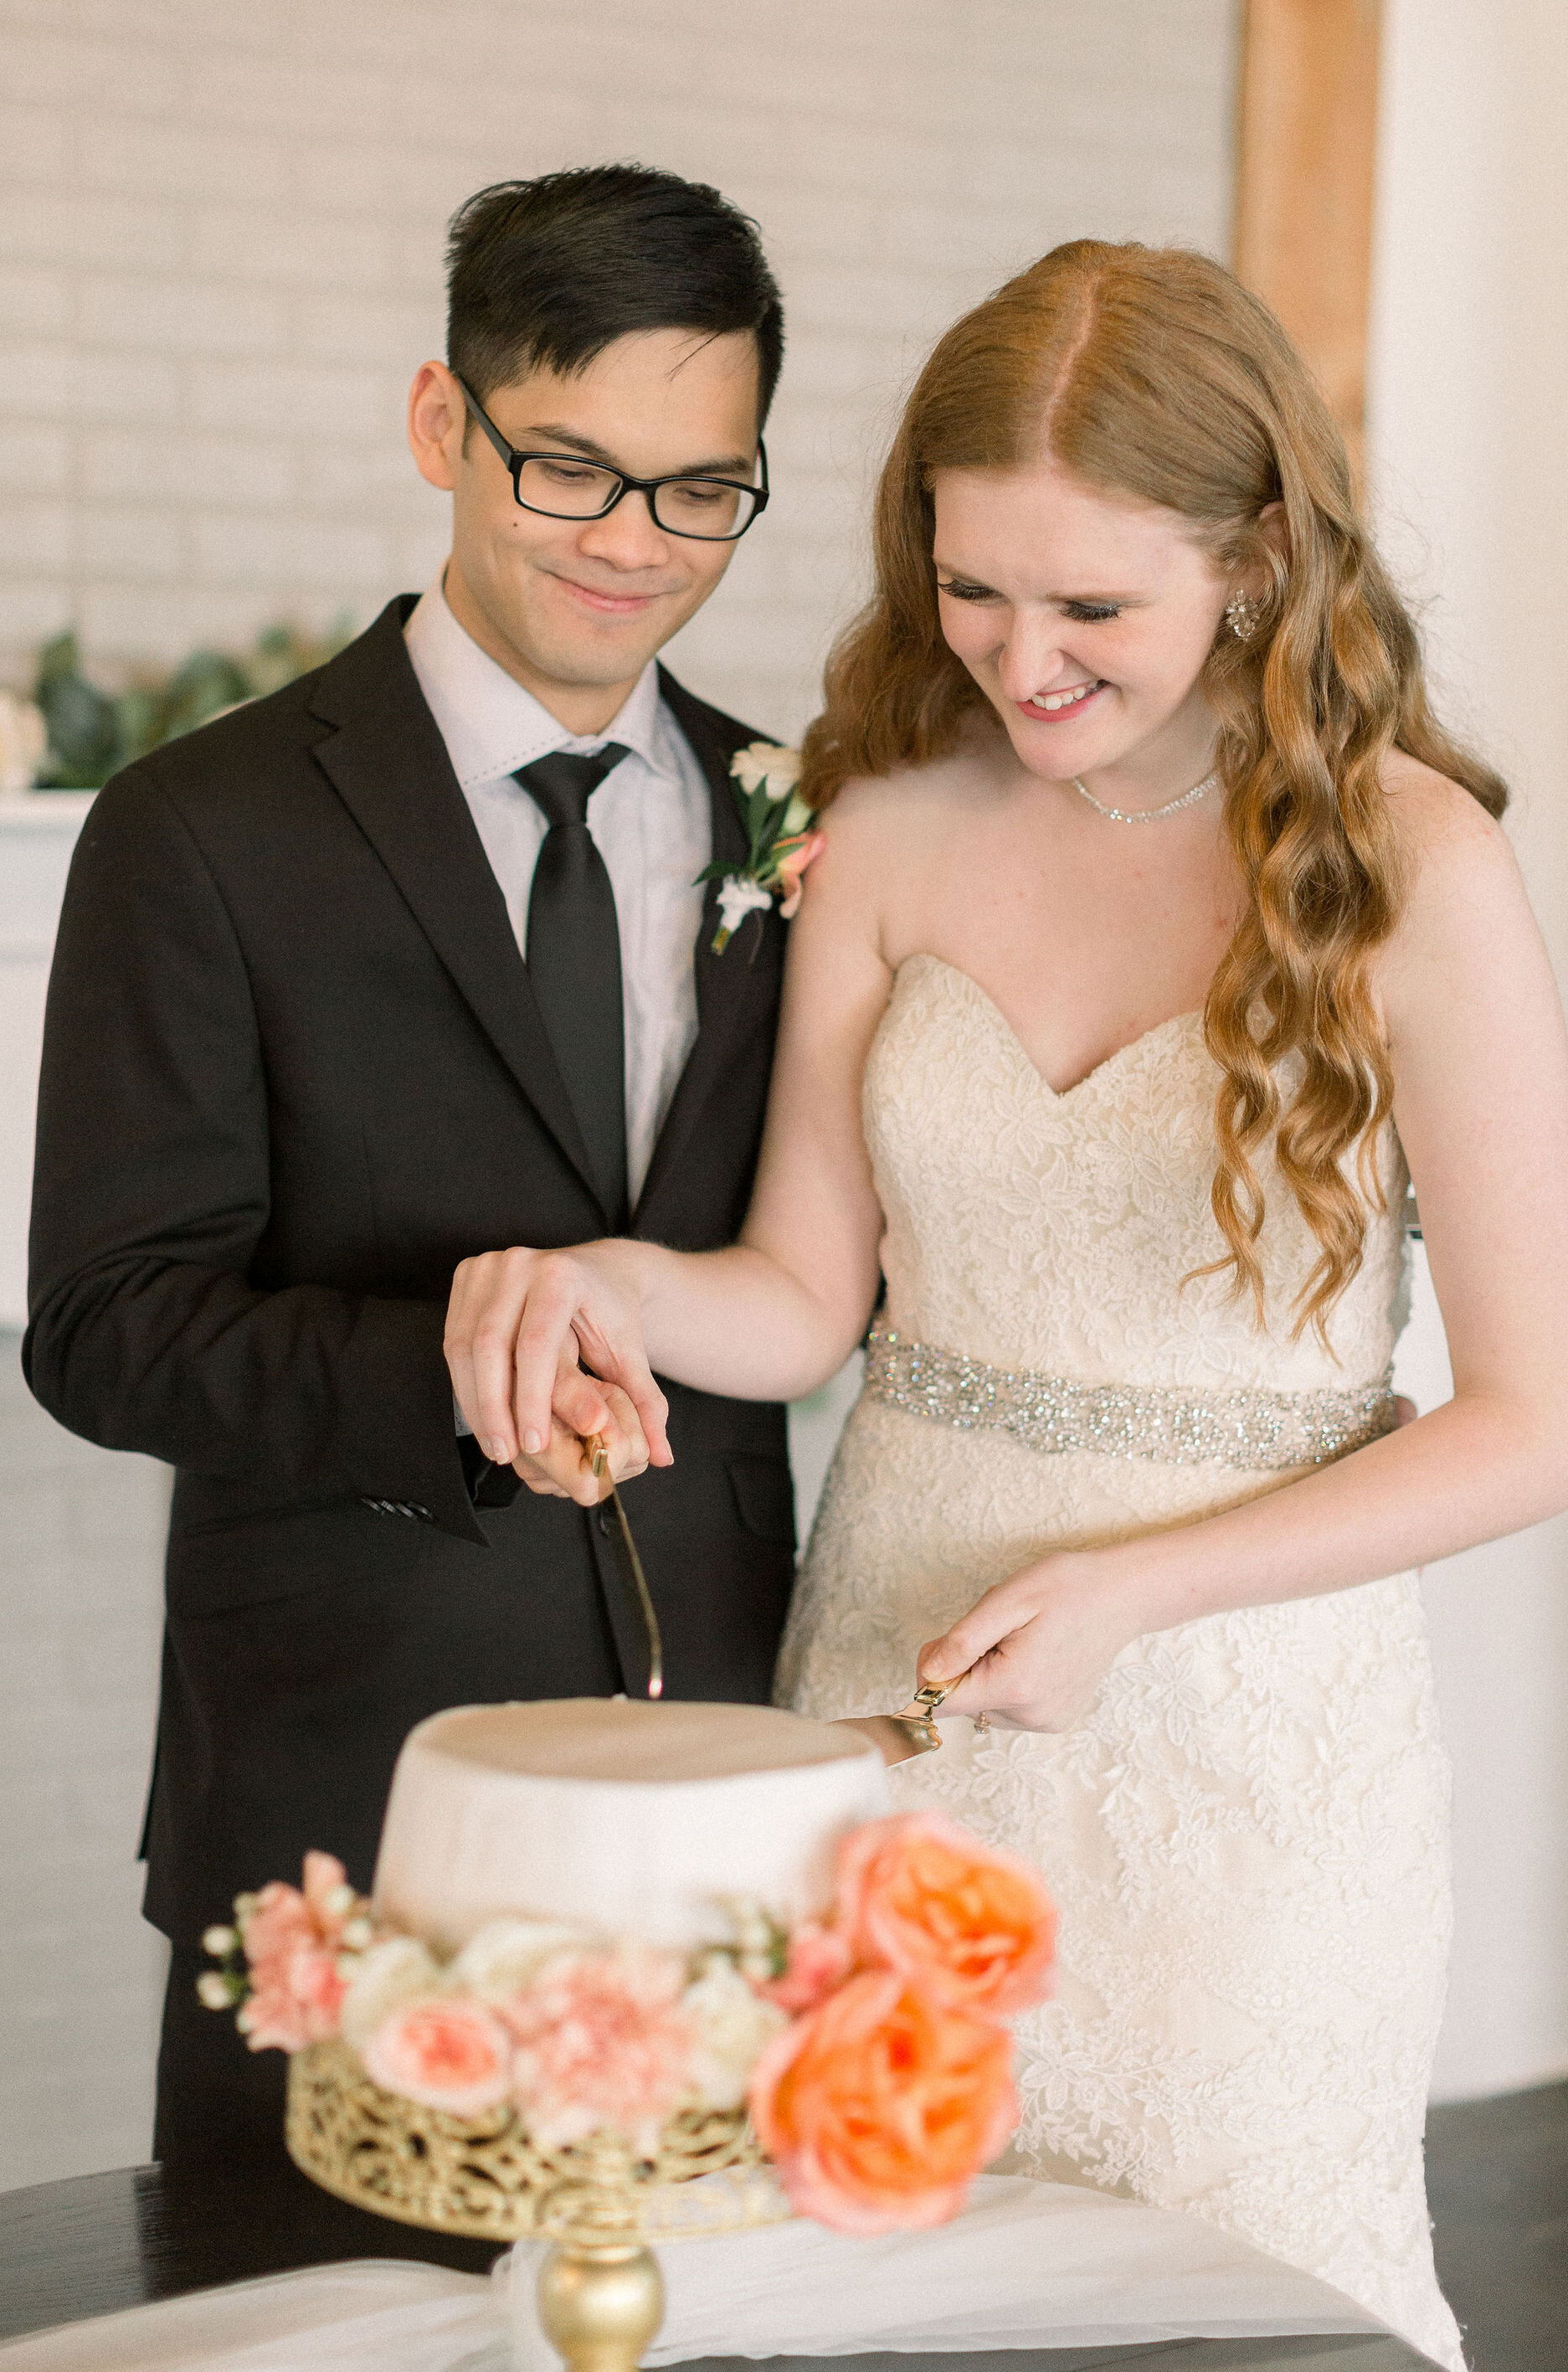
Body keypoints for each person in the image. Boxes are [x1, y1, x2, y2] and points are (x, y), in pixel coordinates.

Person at [445, 239, 1568, 2369]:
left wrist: (1139, 1594)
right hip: (892, 1687)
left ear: (1251, 565)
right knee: (843, 2277)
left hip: (1253, 1745)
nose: (1020, 663)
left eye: (1091, 610)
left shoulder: (1413, 866)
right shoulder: (882, 827)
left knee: (1241, 2291)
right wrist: (583, 1280)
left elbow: (1537, 1414)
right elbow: (796, 1303)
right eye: (972, 590)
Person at [24, 164, 800, 2166]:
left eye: (699, 487)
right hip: (340, 1795)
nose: (635, 546)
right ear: (444, 426)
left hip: (721, 1780)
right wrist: (447, 1381)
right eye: (568, 468)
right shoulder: (195, 829)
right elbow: (110, 1326)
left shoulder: (799, 823)